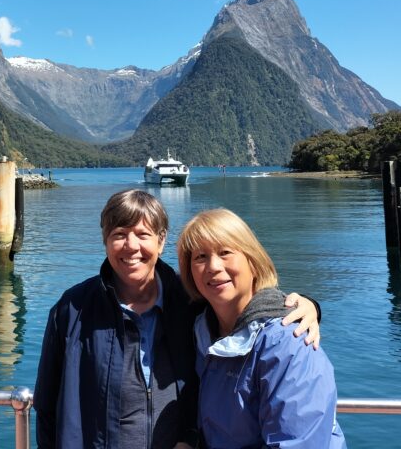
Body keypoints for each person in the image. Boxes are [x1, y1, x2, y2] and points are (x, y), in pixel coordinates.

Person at [34, 190, 321, 449]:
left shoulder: (189, 303)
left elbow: (245, 305)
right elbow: (47, 407)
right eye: (119, 234)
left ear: (161, 241)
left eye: (143, 234)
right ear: (105, 241)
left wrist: (308, 306)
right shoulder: (72, 310)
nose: (131, 246)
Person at [177, 208, 346, 448]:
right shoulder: (202, 331)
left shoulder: (289, 341)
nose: (213, 266)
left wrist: (310, 307)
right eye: (200, 257)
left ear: (253, 262)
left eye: (225, 252)